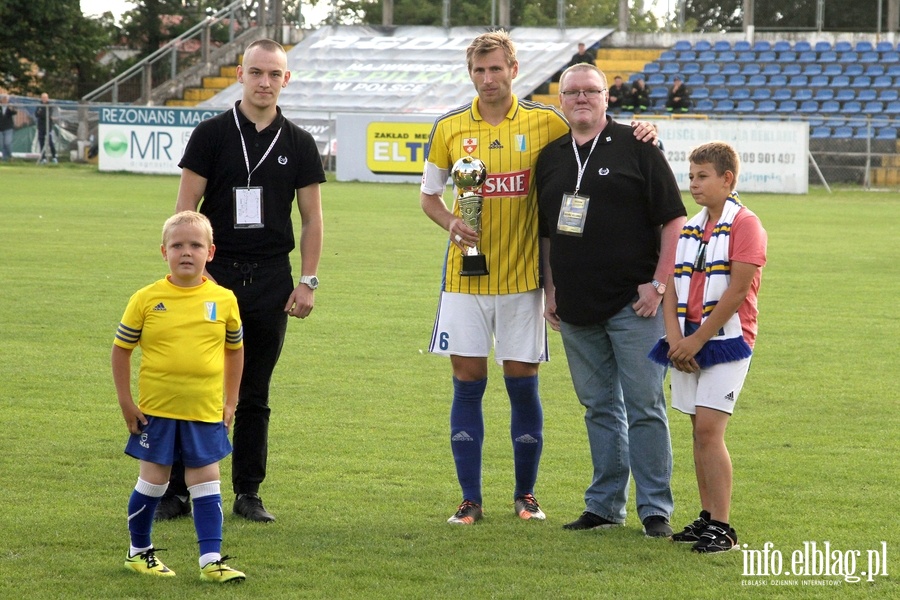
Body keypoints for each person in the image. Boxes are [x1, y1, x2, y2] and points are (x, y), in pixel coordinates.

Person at [420, 31, 658, 526]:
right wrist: (451, 222)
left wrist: (644, 132)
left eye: (496, 69)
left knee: (521, 383)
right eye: (479, 71)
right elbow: (430, 197)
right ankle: (470, 499)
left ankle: (525, 495)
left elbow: (594, 134)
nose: (488, 79)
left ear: (514, 69)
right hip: (464, 279)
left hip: (525, 280)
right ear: (471, 74)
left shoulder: (546, 122)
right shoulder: (447, 128)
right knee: (467, 381)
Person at [161, 38, 326, 523]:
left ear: (286, 80)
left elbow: (312, 219)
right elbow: (185, 210)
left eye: (274, 74)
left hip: (273, 280)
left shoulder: (298, 142)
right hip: (217, 275)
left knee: (255, 391)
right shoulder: (210, 134)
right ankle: (176, 488)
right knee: (196, 384)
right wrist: (195, 274)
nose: (265, 82)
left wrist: (308, 282)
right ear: (240, 73)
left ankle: (248, 492)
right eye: (256, 72)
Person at [534, 63, 686, 537]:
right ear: (561, 101)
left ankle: (655, 508)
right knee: (599, 406)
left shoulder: (638, 146)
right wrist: (550, 288)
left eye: (590, 91)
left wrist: (658, 283)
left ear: (607, 98)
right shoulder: (551, 156)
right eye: (572, 91)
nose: (581, 98)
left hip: (633, 303)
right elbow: (545, 232)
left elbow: (674, 221)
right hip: (576, 305)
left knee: (644, 405)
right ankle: (603, 505)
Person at [112, 211, 246, 582]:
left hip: (205, 411)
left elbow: (235, 350)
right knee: (153, 482)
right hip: (156, 412)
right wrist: (126, 402)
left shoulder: (224, 299)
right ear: (163, 251)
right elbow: (121, 350)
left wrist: (231, 401)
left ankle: (211, 561)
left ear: (211, 252)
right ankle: (138, 553)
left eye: (195, 245)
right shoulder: (146, 299)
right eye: (177, 245)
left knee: (207, 482)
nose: (186, 252)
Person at [649, 142, 767, 553]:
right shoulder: (691, 226)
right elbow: (671, 287)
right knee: (698, 433)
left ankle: (724, 527)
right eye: (691, 175)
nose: (693, 184)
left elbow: (737, 291)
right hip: (686, 342)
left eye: (702, 176)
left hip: (728, 341)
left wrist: (697, 339)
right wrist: (675, 340)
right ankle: (706, 517)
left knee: (709, 430)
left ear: (727, 178)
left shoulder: (746, 224)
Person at [34, 92, 57, 163]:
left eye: (45, 97)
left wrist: (42, 114)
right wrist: (42, 114)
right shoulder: (39, 105)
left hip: (48, 126)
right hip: (41, 126)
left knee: (50, 142)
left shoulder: (50, 106)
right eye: (43, 97)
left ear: (47, 98)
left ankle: (54, 157)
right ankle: (43, 158)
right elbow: (36, 114)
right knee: (41, 142)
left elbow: (48, 114)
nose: (44, 99)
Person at [0, 94, 17, 162]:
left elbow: (15, 112)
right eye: (3, 99)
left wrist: (12, 107)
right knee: (1, 143)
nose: (4, 101)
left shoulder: (10, 107)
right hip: (0, 128)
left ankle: (9, 156)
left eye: (6, 99)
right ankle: (4, 158)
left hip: (8, 127)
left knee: (7, 143)